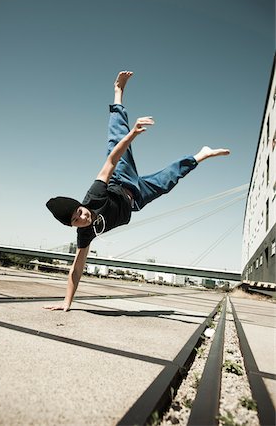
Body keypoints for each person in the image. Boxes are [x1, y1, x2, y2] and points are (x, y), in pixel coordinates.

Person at [44, 71, 230, 312]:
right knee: (168, 181)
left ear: (81, 205)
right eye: (76, 220)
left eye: (79, 211)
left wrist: (132, 135)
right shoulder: (84, 235)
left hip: (122, 178)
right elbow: (77, 268)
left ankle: (118, 92)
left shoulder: (94, 195)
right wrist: (66, 304)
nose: (83, 217)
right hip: (137, 198)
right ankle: (200, 155)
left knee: (116, 140)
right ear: (73, 226)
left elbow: (111, 160)